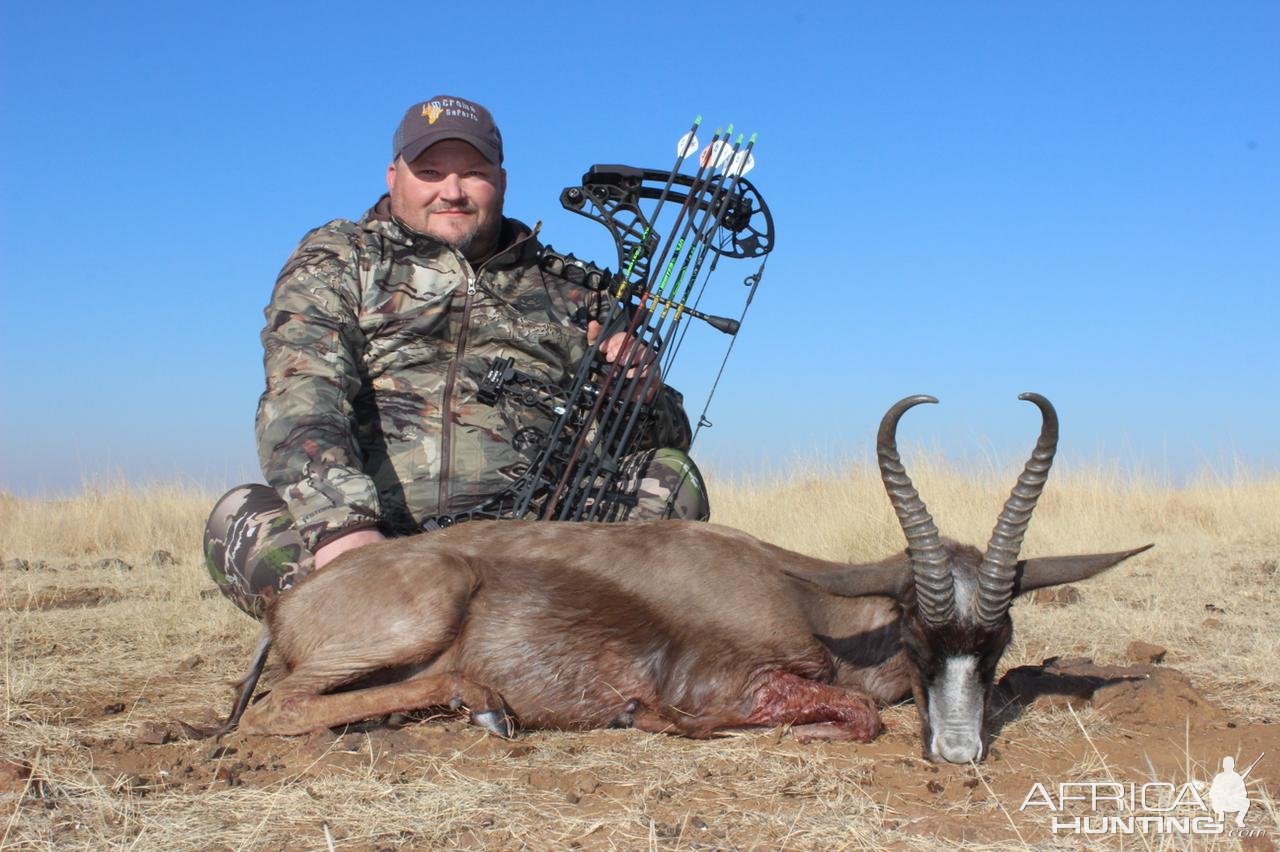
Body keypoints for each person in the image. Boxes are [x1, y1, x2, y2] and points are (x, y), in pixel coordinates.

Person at [204, 95, 708, 619]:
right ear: (393, 175)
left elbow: (665, 436)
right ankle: (389, 638)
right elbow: (301, 395)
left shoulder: (572, 289)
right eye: (430, 172)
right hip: (380, 548)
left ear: (502, 181)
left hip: (538, 555)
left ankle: (531, 640)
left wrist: (643, 393)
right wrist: (347, 534)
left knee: (669, 478)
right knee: (239, 518)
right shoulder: (340, 257)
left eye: (472, 172)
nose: (452, 192)